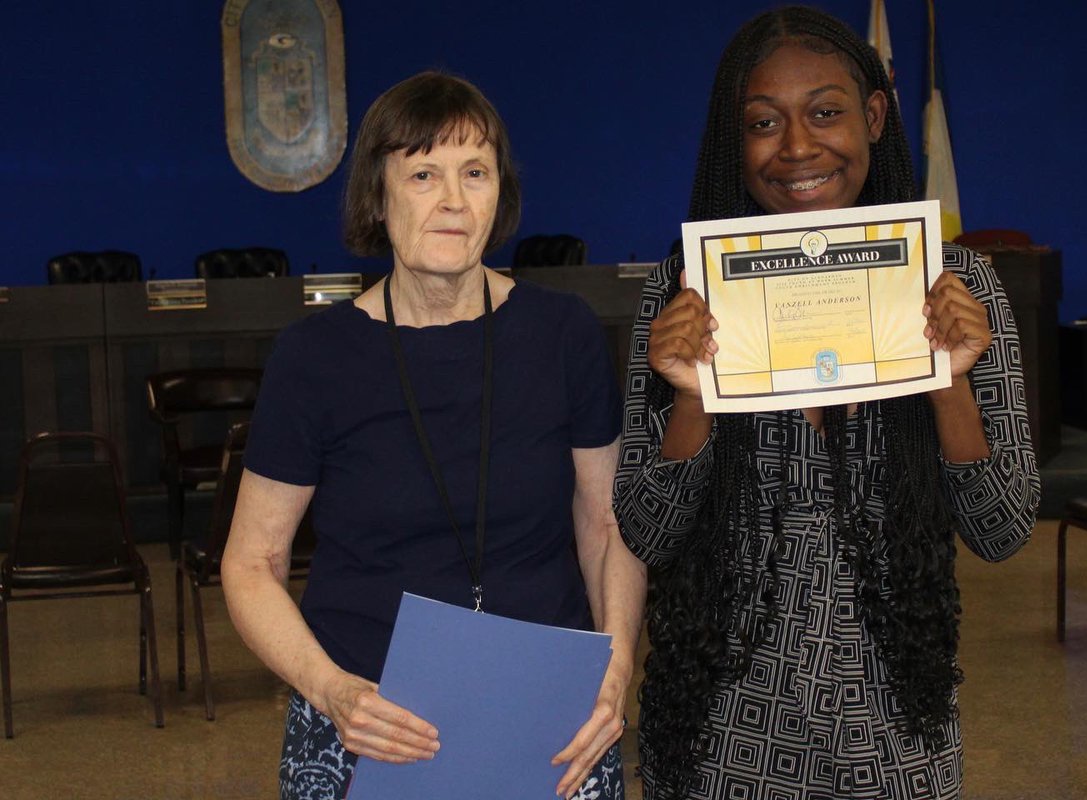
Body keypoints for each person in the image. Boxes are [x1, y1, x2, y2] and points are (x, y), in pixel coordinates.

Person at [613, 7, 1039, 799]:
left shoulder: (958, 289)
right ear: (731, 141)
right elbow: (648, 529)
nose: (798, 147)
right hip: (722, 729)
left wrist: (947, 379)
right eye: (763, 122)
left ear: (874, 116)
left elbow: (1002, 530)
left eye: (826, 112)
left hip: (896, 727)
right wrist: (692, 395)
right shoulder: (686, 295)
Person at [222, 71, 646, 800]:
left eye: (474, 173)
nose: (453, 200)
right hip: (367, 720)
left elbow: (607, 525)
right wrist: (331, 692)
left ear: (499, 194)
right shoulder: (315, 356)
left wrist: (613, 672)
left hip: (551, 721)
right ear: (377, 198)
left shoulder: (563, 334)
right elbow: (252, 562)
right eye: (423, 174)